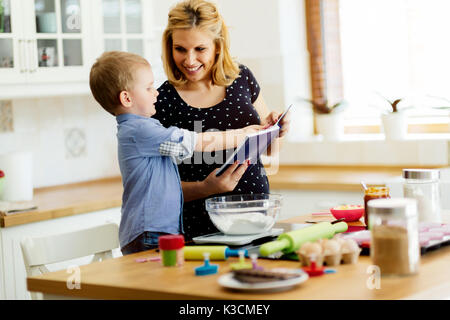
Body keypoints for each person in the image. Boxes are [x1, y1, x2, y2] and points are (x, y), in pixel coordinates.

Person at [89, 51, 262, 255]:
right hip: (150, 232)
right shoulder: (140, 131)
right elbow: (192, 142)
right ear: (126, 98)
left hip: (158, 230)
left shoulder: (144, 129)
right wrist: (241, 135)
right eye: (149, 88)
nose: (156, 93)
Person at [154, 0, 291, 240]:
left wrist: (277, 130)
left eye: (200, 49)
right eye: (180, 49)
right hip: (199, 229)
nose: (189, 60)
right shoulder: (162, 100)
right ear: (169, 46)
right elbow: (156, 189)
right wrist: (205, 189)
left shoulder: (241, 78)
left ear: (218, 46)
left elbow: (269, 151)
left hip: (256, 218)